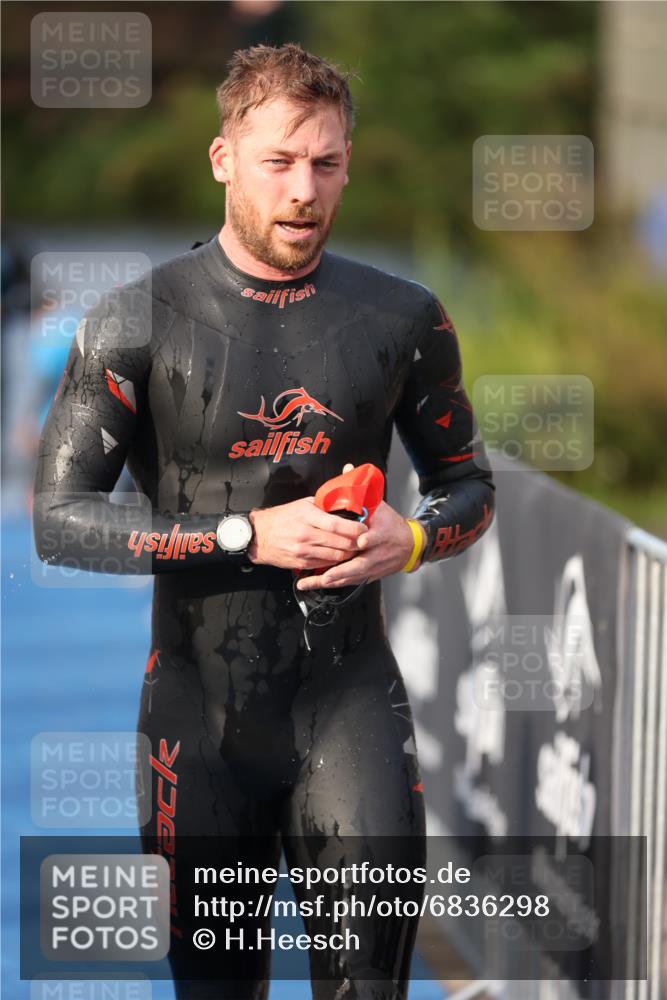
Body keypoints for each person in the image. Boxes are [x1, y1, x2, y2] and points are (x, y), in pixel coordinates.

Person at [33, 41, 495, 1000]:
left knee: (368, 986)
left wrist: (406, 539)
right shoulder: (136, 318)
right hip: (196, 721)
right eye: (279, 161)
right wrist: (246, 536)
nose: (303, 190)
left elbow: (468, 485)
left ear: (347, 166)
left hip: (350, 702)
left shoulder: (402, 316)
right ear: (222, 159)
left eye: (325, 163)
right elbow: (58, 520)